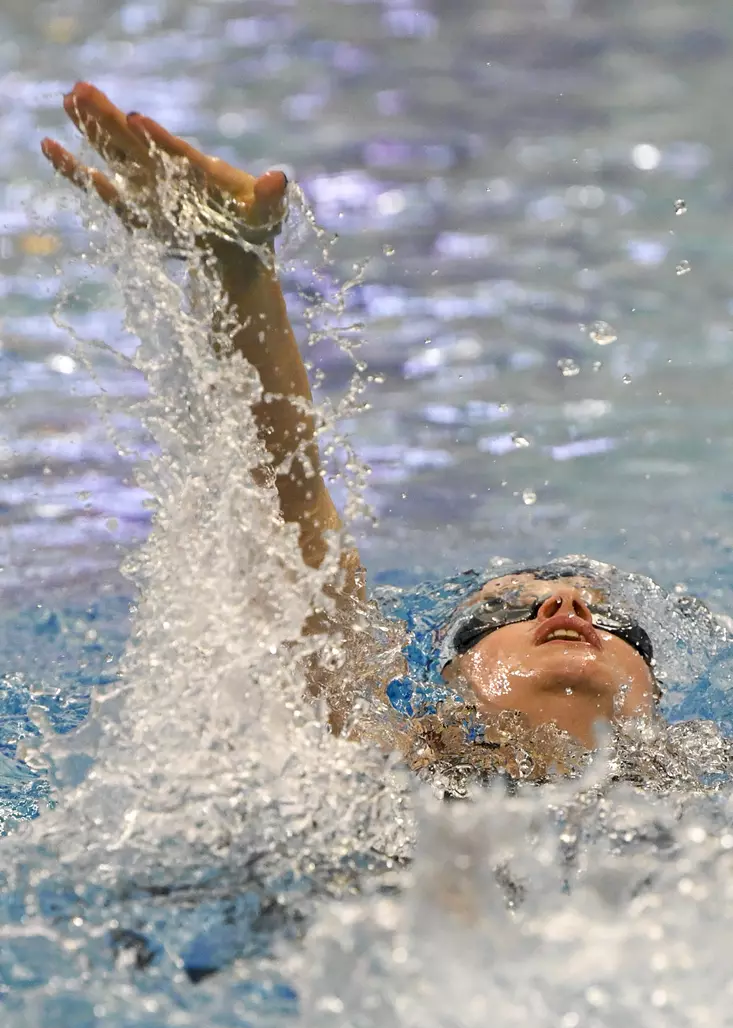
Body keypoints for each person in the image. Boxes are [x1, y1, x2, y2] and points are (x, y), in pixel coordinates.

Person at [41, 84, 674, 781]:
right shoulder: (388, 771)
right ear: (453, 679)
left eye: (616, 622)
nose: (569, 605)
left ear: (657, 692)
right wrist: (236, 264)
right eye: (503, 612)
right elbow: (298, 526)